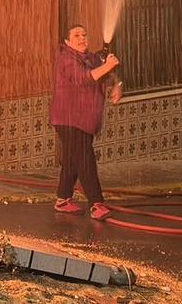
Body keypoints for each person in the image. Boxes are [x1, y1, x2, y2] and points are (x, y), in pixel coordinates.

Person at [50, 24, 122, 220]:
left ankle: (63, 199)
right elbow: (83, 78)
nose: (82, 38)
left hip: (85, 119)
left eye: (84, 34)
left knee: (72, 160)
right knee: (85, 159)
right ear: (67, 41)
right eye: (76, 35)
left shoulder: (90, 57)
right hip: (68, 119)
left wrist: (117, 84)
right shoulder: (66, 59)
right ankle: (96, 204)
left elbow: (106, 73)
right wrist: (107, 66)